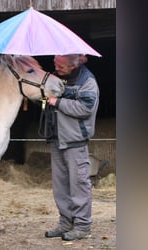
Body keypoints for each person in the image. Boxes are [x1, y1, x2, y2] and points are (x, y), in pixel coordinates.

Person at [44, 54, 99, 241]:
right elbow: (46, 99)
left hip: (75, 140)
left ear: (74, 64)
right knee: (60, 186)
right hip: (57, 138)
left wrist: (58, 102)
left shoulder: (87, 81)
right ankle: (65, 223)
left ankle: (82, 226)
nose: (56, 68)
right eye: (55, 63)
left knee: (79, 185)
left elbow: (85, 109)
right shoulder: (56, 77)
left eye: (61, 65)